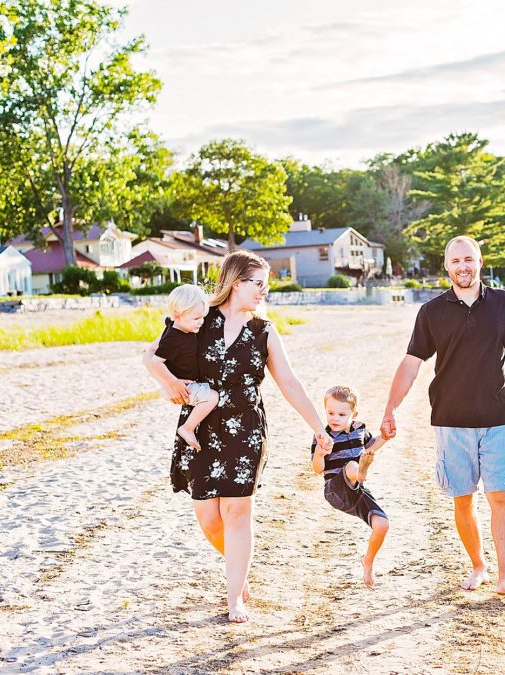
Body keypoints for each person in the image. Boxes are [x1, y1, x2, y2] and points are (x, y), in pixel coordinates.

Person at [143, 250, 331, 623]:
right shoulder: (201, 317)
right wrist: (169, 385)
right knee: (209, 517)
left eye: (266, 284)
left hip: (245, 427)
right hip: (201, 425)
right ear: (235, 283)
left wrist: (317, 426)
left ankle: (235, 599)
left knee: (237, 510)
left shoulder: (264, 330)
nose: (264, 291)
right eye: (258, 284)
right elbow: (152, 355)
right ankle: (237, 568)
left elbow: (289, 383)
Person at [381, 235, 505, 598]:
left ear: (480, 261)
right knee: (463, 499)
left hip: (499, 416)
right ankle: (478, 566)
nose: (463, 267)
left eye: (468, 260)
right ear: (446, 267)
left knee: (500, 495)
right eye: (455, 261)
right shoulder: (432, 312)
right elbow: (411, 364)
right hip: (451, 420)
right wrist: (391, 408)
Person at [310, 385, 390, 588]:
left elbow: (369, 447)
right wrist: (319, 454)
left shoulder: (359, 428)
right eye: (330, 413)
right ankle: (361, 472)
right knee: (353, 466)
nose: (334, 418)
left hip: (356, 490)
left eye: (341, 414)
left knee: (382, 525)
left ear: (353, 414)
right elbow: (317, 469)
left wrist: (385, 438)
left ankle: (368, 561)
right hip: (334, 489)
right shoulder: (323, 436)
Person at [151, 284, 220, 451]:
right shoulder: (173, 338)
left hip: (184, 382)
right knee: (212, 397)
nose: (201, 322)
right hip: (181, 386)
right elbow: (155, 362)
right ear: (177, 316)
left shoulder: (178, 326)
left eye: (203, 317)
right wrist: (173, 383)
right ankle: (187, 428)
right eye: (196, 318)